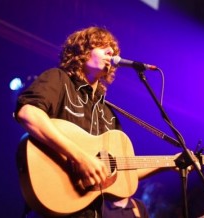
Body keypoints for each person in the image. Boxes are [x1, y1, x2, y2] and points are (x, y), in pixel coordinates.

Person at [14, 26, 162, 218]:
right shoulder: (59, 80)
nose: (111, 52)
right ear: (82, 52)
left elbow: (122, 172)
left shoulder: (108, 113)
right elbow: (28, 113)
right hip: (52, 208)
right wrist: (80, 157)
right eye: (102, 47)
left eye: (113, 50)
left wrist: (172, 163)